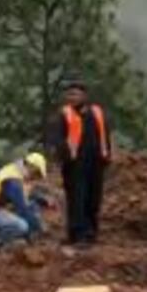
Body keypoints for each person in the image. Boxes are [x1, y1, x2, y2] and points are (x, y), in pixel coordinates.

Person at [47, 78, 111, 248]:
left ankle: (91, 233)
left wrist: (107, 156)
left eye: (76, 94)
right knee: (77, 199)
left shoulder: (97, 112)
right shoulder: (64, 114)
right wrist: (64, 156)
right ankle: (77, 234)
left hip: (96, 162)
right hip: (75, 165)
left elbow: (105, 134)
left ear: (84, 95)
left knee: (93, 198)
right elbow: (57, 138)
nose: (72, 97)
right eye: (69, 94)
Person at [0, 152, 49, 253]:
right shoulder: (13, 179)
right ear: (31, 167)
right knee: (22, 226)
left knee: (32, 208)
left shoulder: (16, 172)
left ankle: (20, 235)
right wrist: (38, 228)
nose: (36, 178)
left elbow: (24, 199)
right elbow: (22, 208)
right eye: (37, 174)